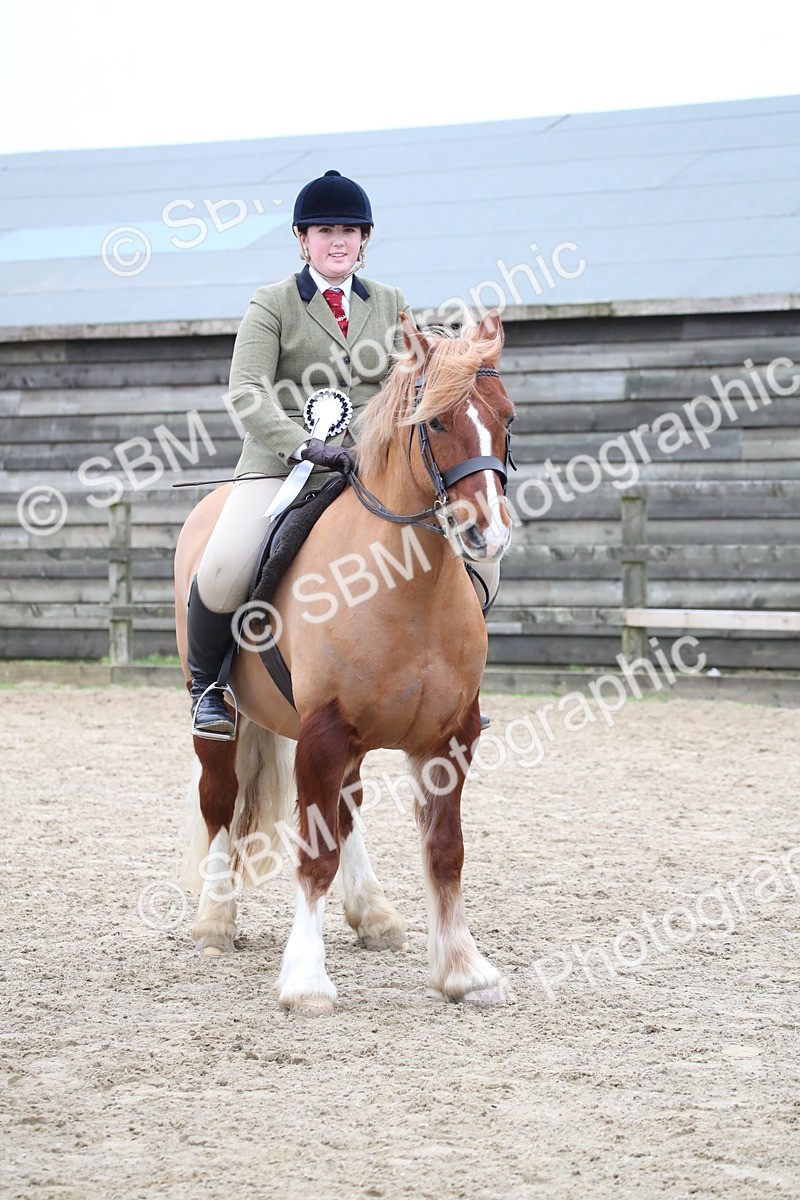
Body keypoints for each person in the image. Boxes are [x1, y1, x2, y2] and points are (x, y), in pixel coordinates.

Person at [185, 169, 499, 739]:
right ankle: (208, 687)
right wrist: (301, 443)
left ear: (365, 240)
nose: (338, 241)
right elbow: (247, 391)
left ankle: (453, 680)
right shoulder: (273, 303)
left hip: (370, 466)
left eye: (350, 231)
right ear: (302, 240)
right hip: (284, 465)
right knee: (226, 564)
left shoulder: (390, 302)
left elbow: (412, 379)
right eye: (324, 230)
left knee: (483, 558)